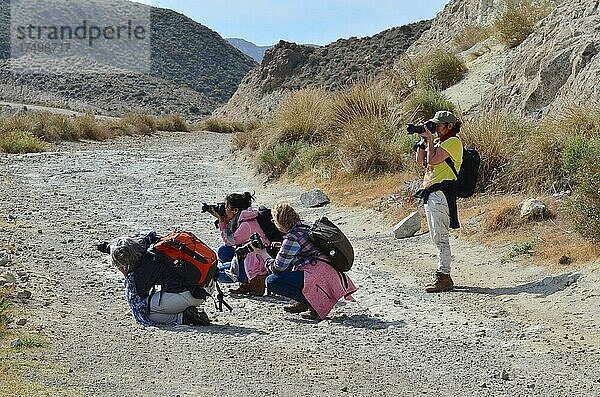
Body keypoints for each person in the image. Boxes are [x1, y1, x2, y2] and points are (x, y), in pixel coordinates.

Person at [257, 201, 357, 320]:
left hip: (317, 274)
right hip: (328, 272)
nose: (273, 223)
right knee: (287, 276)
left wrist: (262, 254)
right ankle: (306, 302)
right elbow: (307, 247)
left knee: (272, 281)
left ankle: (313, 303)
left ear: (280, 221)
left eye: (274, 220)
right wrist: (283, 247)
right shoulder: (304, 226)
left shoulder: (291, 237)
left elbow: (278, 267)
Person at [104, 232, 212, 327]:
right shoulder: (153, 243)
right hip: (207, 284)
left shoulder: (142, 270)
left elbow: (138, 301)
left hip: (190, 295)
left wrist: (126, 274)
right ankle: (182, 308)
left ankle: (183, 317)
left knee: (147, 312)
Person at [414, 110, 463, 293]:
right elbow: (422, 161)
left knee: (441, 237)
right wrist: (423, 141)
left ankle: (444, 276)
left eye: (439, 125)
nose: (436, 128)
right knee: (437, 237)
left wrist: (431, 141)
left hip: (441, 194)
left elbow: (433, 159)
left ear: (449, 126)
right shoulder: (441, 142)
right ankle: (443, 275)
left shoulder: (453, 142)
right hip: (432, 194)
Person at [210, 192, 270, 296]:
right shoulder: (245, 217)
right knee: (223, 251)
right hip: (250, 257)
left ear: (235, 210)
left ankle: (246, 279)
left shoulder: (247, 224)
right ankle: (234, 271)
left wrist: (221, 220)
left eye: (227, 207)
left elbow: (229, 241)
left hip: (255, 266)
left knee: (217, 274)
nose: (225, 210)